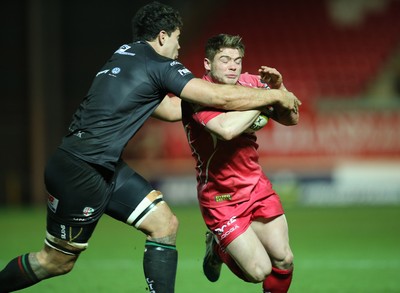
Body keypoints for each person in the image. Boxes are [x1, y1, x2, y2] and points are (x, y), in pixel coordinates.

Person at [0, 2, 300, 292]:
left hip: (106, 167)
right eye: (178, 39)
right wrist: (272, 97)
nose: (179, 48)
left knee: (165, 224)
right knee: (56, 261)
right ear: (162, 37)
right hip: (80, 169)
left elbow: (171, 111)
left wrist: (265, 97)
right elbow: (218, 99)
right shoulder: (158, 64)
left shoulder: (123, 55)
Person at [181, 34, 298, 293]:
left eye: (237, 60)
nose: (233, 66)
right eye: (225, 60)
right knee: (258, 271)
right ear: (207, 64)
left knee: (284, 260)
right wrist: (265, 97)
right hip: (220, 197)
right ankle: (216, 247)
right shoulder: (198, 93)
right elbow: (226, 129)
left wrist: (280, 89)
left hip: (256, 186)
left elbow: (292, 118)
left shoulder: (249, 83)